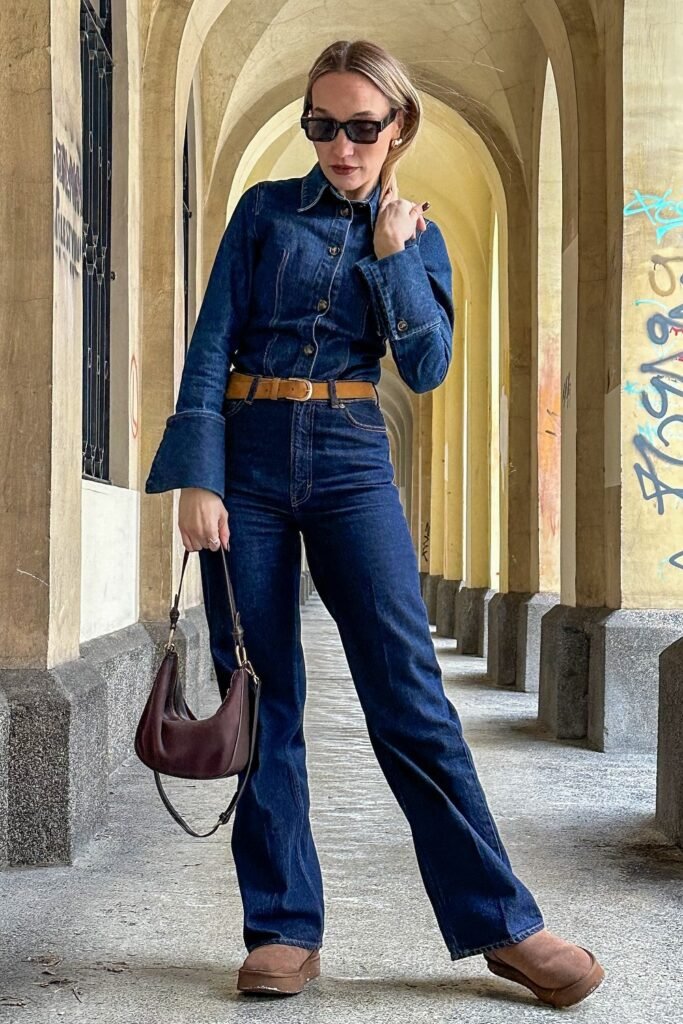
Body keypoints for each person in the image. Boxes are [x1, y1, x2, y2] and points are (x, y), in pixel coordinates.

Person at [144, 37, 605, 1008]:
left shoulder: (419, 235)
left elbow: (428, 367)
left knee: (409, 693)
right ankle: (280, 925)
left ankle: (502, 921)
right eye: (321, 125)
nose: (339, 145)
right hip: (250, 449)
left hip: (353, 456)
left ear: (396, 127)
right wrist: (198, 472)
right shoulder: (265, 211)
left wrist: (393, 256)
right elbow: (209, 339)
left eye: (360, 126)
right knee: (260, 688)